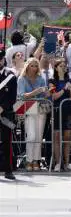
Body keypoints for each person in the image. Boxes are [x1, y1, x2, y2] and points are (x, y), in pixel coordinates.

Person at [16, 58, 49, 171]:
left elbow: (44, 95)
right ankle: (29, 160)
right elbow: (20, 96)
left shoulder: (41, 78)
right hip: (28, 109)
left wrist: (46, 93)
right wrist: (36, 92)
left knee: (39, 137)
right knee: (31, 136)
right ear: (27, 66)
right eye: (32, 65)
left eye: (36, 66)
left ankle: (36, 160)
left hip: (40, 108)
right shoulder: (21, 79)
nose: (34, 68)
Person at [49, 58, 71, 171]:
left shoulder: (69, 80)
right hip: (56, 111)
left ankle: (67, 162)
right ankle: (58, 162)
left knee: (67, 137)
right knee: (56, 137)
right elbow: (54, 96)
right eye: (61, 66)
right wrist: (64, 90)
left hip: (68, 111)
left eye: (65, 66)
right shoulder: (52, 81)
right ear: (56, 68)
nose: (64, 68)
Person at [0, 50, 17, 179]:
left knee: (7, 141)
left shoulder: (10, 76)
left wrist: (2, 107)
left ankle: (8, 169)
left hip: (6, 114)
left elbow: (12, 97)